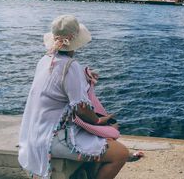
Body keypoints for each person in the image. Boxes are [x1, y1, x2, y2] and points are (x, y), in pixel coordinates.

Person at [18, 14, 140, 179]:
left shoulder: (45, 60)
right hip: (52, 138)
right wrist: (99, 121)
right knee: (121, 154)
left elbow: (59, 89)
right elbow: (81, 109)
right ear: (75, 42)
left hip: (35, 133)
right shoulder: (70, 66)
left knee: (99, 141)